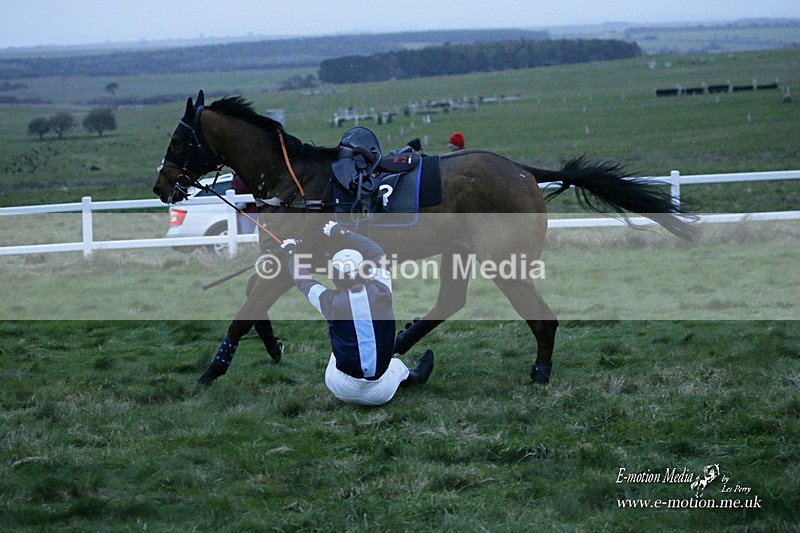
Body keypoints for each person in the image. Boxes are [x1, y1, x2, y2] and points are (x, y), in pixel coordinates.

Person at [280, 221, 434, 406]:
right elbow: (377, 252)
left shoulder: (328, 301)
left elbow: (303, 280)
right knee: (397, 366)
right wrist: (341, 232)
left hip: (340, 389)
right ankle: (415, 377)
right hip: (380, 394)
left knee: (337, 350)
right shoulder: (382, 287)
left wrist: (291, 252)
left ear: (335, 276)